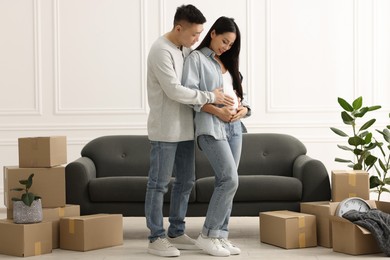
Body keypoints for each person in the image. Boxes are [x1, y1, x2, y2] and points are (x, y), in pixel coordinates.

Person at [145, 5, 234, 257]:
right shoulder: (160, 50)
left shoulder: (185, 50)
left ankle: (175, 231)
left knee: (185, 182)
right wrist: (211, 96)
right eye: (195, 34)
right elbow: (174, 90)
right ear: (179, 28)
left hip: (187, 129)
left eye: (201, 33)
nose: (198, 39)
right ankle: (155, 237)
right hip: (165, 129)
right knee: (158, 184)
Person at [182, 16, 251, 257]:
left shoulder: (229, 63)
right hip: (211, 128)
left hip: (234, 128)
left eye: (231, 44)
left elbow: (241, 97)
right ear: (212, 33)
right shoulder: (197, 59)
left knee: (230, 183)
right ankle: (208, 235)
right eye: (224, 41)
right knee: (229, 179)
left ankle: (221, 235)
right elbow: (191, 96)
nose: (226, 47)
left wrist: (243, 110)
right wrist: (218, 111)